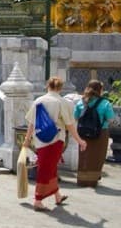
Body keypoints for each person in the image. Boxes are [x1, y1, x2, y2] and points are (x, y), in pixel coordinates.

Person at [22, 76, 87, 211]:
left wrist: (27, 139)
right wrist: (80, 140)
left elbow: (32, 123)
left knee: (49, 168)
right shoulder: (62, 102)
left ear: (48, 86)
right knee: (46, 169)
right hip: (56, 140)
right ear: (60, 88)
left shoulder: (38, 101)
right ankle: (38, 200)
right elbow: (70, 125)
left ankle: (57, 196)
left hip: (40, 140)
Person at [72, 79, 114, 187]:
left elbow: (75, 117)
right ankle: (93, 180)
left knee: (84, 156)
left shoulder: (81, 102)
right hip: (100, 132)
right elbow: (110, 119)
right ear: (100, 90)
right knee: (97, 156)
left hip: (83, 133)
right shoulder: (105, 103)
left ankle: (82, 180)